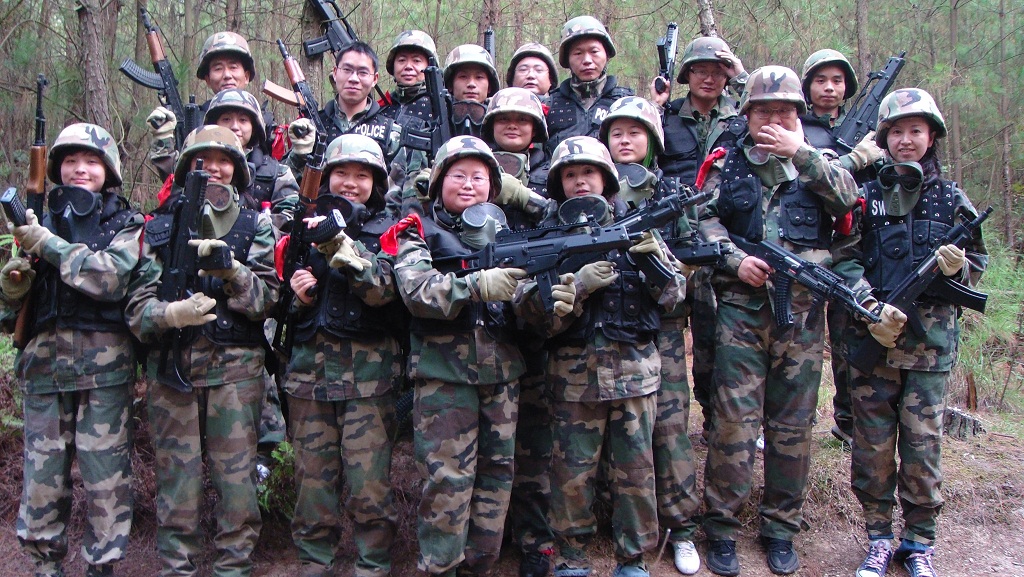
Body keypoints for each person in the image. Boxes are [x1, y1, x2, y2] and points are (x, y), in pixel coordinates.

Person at [697, 66, 859, 576]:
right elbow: (702, 218)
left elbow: (848, 200)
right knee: (733, 422)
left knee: (792, 426)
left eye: (784, 112)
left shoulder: (819, 159)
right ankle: (721, 527)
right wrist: (733, 260)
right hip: (741, 312)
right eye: (763, 111)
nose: (773, 120)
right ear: (746, 115)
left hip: (802, 317)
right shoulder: (727, 162)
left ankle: (781, 528)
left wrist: (802, 154)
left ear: (798, 115)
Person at [387, 136, 572, 577]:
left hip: (503, 375)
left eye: (479, 177)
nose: (468, 184)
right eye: (458, 175)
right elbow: (415, 291)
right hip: (443, 377)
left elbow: (527, 310)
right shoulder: (416, 229)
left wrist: (553, 298)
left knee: (497, 477)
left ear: (494, 186)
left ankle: (481, 567)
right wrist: (474, 286)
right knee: (446, 482)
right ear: (438, 181)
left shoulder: (510, 233)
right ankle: (440, 568)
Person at [525, 135, 689, 577]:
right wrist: (577, 287)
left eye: (589, 173)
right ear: (558, 184)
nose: (580, 182)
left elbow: (674, 296)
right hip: (573, 379)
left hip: (635, 375)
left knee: (636, 473)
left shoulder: (639, 227)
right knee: (571, 474)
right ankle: (571, 557)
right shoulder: (548, 238)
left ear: (607, 180)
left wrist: (655, 263)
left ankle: (633, 558)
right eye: (570, 175)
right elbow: (533, 317)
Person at [127, 125, 280, 577]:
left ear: (238, 170)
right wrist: (170, 314)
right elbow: (136, 311)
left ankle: (234, 566)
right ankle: (177, 566)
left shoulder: (257, 225)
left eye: (223, 160)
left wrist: (233, 273)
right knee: (178, 482)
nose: (213, 168)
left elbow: (269, 301)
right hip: (172, 371)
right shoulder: (156, 228)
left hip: (236, 373)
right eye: (202, 160)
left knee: (237, 482)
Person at [848, 88, 987, 577]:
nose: (906, 140)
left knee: (923, 446)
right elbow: (844, 258)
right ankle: (878, 538)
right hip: (873, 341)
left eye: (916, 131)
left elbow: (978, 263)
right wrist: (868, 306)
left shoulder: (951, 198)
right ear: (884, 138)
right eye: (897, 132)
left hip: (930, 348)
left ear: (932, 136)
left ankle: (919, 543)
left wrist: (958, 269)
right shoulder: (865, 195)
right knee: (872, 447)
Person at [2, 123, 144, 577]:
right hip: (44, 367)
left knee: (106, 480)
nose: (80, 169)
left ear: (109, 170)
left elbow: (110, 279)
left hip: (106, 371)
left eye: (91, 161)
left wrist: (49, 246)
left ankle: (102, 566)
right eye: (70, 161)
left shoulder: (126, 223)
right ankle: (45, 566)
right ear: (57, 169)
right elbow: (10, 315)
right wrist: (11, 288)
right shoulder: (35, 222)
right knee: (42, 481)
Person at [283, 134, 403, 577]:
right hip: (308, 375)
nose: (351, 183)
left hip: (368, 379)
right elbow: (275, 304)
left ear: (376, 182)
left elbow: (386, 292)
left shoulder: (389, 231)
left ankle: (373, 562)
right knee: (312, 482)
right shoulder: (301, 228)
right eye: (342, 173)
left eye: (361, 175)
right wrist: (298, 299)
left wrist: (344, 251)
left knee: (370, 483)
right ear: (327, 178)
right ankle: (315, 561)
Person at [598, 95, 703, 575]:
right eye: (616, 133)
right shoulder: (591, 189)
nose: (625, 140)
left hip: (662, 325)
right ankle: (618, 524)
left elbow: (692, 254)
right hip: (609, 326)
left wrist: (661, 266)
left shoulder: (670, 193)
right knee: (620, 432)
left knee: (670, 426)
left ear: (653, 141)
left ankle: (681, 527)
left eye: (635, 132)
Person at [650, 35, 749, 445]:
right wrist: (655, 107)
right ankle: (666, 429)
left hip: (720, 240)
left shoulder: (741, 119)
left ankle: (714, 422)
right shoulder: (668, 116)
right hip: (672, 242)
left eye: (717, 72)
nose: (708, 78)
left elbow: (771, 111)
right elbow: (641, 158)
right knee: (667, 336)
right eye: (700, 70)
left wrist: (740, 73)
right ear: (687, 74)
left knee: (714, 342)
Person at [798, 48, 886, 447]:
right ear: (808, 86)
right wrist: (853, 160)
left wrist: (872, 157)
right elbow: (805, 175)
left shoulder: (865, 131)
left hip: (853, 242)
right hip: (807, 243)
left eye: (837, 81)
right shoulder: (796, 129)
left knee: (851, 330)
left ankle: (849, 420)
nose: (829, 88)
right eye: (820, 80)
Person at [147, 31, 268, 178]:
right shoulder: (194, 120)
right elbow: (175, 179)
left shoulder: (265, 123)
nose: (227, 75)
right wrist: (163, 139)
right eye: (218, 68)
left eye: (233, 67)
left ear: (246, 76)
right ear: (208, 79)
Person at [284, 41, 402, 179]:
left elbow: (399, 186)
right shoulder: (312, 128)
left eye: (363, 72)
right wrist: (299, 154)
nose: (353, 79)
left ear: (375, 79)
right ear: (335, 73)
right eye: (347, 70)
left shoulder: (389, 131)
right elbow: (285, 183)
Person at [545, 15, 634, 157]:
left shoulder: (626, 102)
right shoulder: (550, 104)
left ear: (606, 55)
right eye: (578, 53)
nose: (587, 60)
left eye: (594, 52)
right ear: (567, 59)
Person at [444, 44, 500, 138]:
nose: (471, 84)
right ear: (450, 85)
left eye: (479, 77)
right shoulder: (436, 116)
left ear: (489, 87)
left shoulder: (500, 120)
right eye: (463, 77)